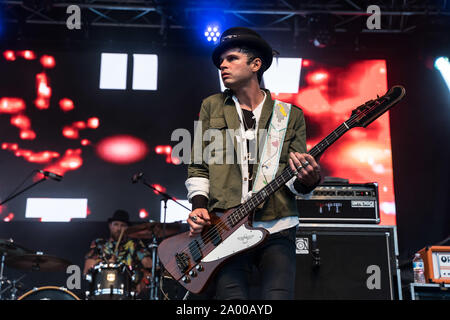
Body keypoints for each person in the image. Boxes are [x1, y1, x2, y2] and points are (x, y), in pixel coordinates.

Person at [185, 27, 321, 300]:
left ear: (256, 64)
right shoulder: (211, 106)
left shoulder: (289, 115)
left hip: (278, 226)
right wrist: (199, 206)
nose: (222, 64)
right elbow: (199, 165)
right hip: (225, 227)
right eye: (221, 61)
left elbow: (295, 179)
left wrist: (308, 179)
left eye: (232, 58)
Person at [83, 209, 153, 297]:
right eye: (116, 224)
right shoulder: (100, 244)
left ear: (128, 228)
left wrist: (143, 281)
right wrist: (107, 263)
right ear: (110, 226)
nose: (119, 229)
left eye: (123, 225)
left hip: (128, 291)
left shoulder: (134, 245)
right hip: (101, 291)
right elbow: (87, 271)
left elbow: (149, 266)